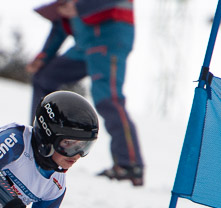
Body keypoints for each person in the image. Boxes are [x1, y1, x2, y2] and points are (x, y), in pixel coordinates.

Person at [28, 0, 144, 186]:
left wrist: (79, 7)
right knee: (43, 78)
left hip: (108, 40)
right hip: (84, 46)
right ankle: (38, 145)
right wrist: (43, 56)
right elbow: (60, 24)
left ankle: (129, 166)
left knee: (108, 99)